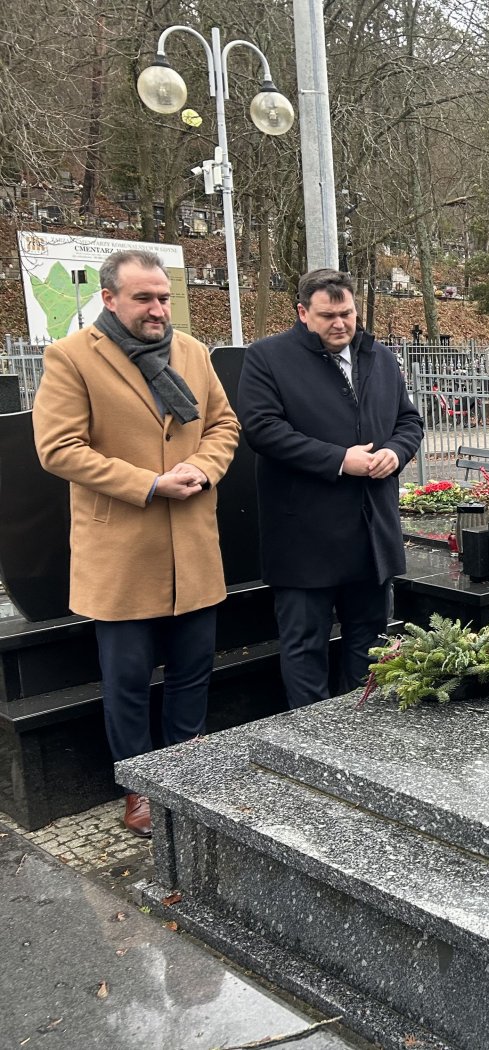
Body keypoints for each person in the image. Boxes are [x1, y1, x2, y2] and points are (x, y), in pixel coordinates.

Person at [32, 249, 240, 838]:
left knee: (193, 670)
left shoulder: (193, 352)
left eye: (164, 297)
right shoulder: (71, 358)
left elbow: (224, 424)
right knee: (126, 680)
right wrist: (148, 484)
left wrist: (203, 467)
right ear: (110, 299)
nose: (158, 308)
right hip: (122, 550)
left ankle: (186, 774)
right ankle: (140, 788)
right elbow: (59, 448)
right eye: (144, 298)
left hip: (193, 544)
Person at [238, 269, 423, 708]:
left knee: (369, 640)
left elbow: (408, 420)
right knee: (305, 645)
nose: (340, 324)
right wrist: (341, 460)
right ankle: (312, 736)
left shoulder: (377, 357)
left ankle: (359, 731)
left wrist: (395, 454)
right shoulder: (268, 358)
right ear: (302, 313)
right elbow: (263, 430)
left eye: (347, 313)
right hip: (305, 536)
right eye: (327, 316)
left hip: (370, 532)